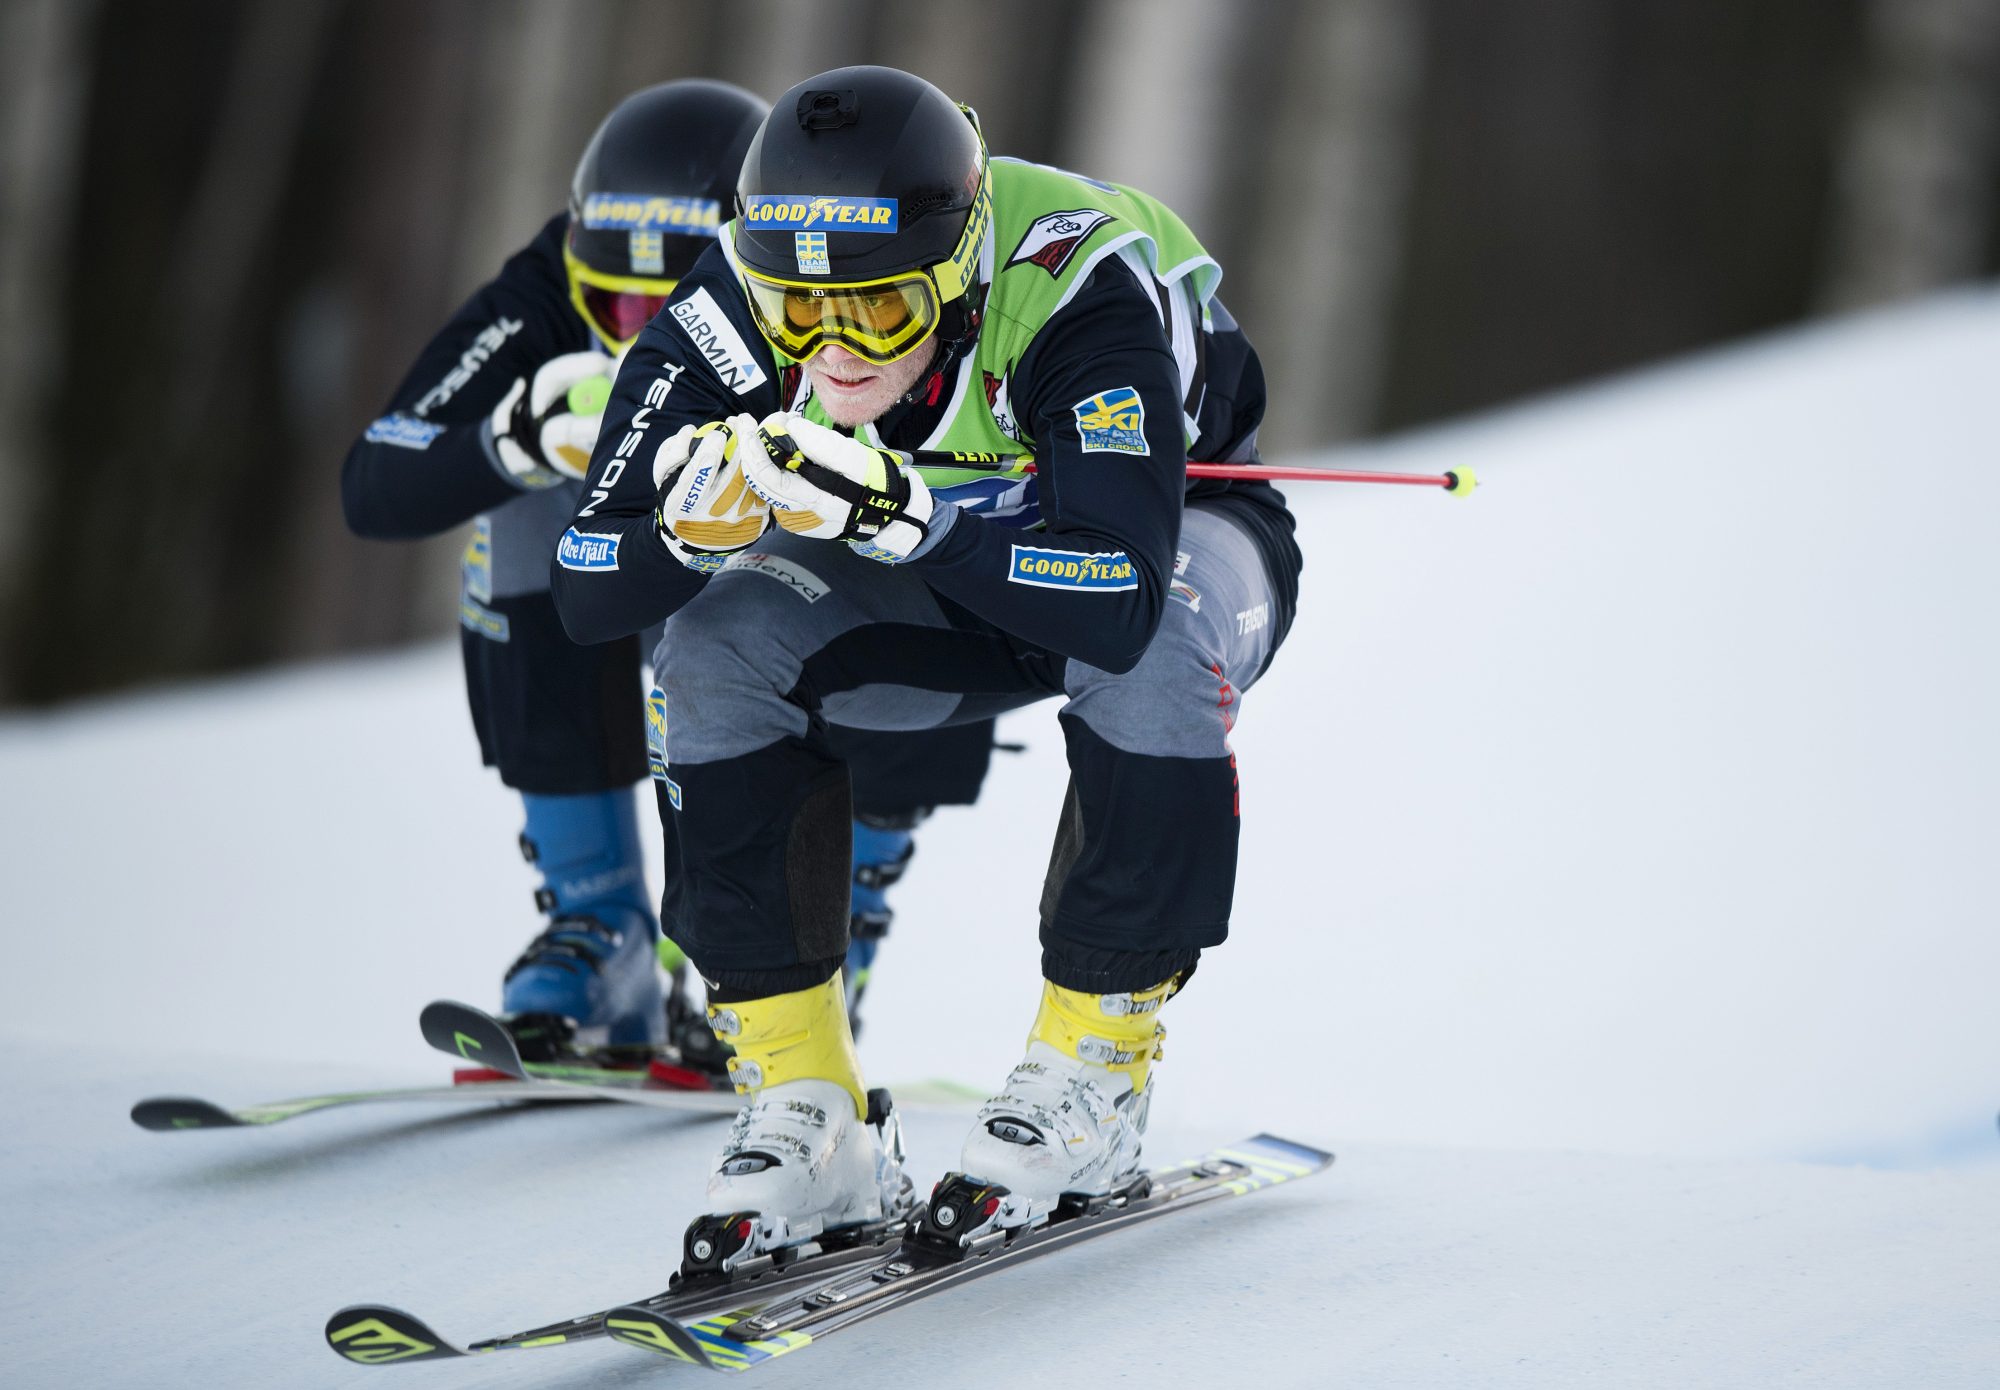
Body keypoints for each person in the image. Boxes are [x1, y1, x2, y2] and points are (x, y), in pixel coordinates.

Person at [551, 65, 1301, 1254]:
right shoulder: (742, 286)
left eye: (879, 311)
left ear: (955, 281)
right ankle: (807, 1105)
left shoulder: (1071, 284)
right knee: (710, 643)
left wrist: (919, 516)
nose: (834, 349)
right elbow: (587, 581)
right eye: (800, 314)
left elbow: (1113, 594)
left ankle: (1093, 1073)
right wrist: (680, 537)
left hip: (1157, 543)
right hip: (924, 561)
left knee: (1163, 641)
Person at [340, 79, 989, 1068]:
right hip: (643, 585)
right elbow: (376, 478)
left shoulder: (830, 286)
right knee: (519, 527)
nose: (645, 326)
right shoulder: (550, 279)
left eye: (675, 295)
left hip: (801, 614)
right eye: (614, 301)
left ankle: (830, 918)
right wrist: (511, 444)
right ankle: (601, 927)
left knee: (865, 545)